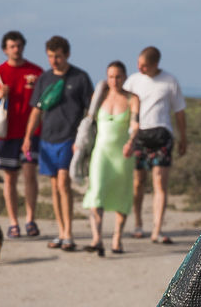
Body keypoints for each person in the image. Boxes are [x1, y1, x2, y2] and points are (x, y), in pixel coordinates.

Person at [23, 36, 93, 251]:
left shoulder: (80, 78)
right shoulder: (44, 78)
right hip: (47, 138)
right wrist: (27, 137)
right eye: (51, 56)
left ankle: (69, 233)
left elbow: (90, 112)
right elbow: (37, 109)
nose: (54, 60)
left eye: (58, 56)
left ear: (67, 55)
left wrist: (86, 140)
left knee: (64, 183)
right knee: (54, 185)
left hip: (69, 139)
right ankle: (61, 233)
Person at [0, 31, 43, 239]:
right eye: (12, 46)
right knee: (9, 178)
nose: (16, 49)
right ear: (5, 49)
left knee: (30, 175)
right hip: (6, 134)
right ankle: (13, 222)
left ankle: (31, 220)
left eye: (19, 45)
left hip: (31, 133)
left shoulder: (36, 71)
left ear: (23, 47)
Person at [123, 46, 187, 244]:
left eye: (145, 66)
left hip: (162, 135)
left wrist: (183, 137)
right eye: (139, 64)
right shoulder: (133, 81)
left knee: (159, 183)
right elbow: (124, 107)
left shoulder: (169, 81)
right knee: (138, 182)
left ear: (155, 64)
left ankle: (156, 230)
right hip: (139, 136)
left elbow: (179, 112)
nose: (140, 68)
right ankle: (138, 224)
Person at [81, 61, 139, 256]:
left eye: (118, 76)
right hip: (101, 152)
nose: (115, 80)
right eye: (111, 76)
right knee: (96, 190)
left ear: (125, 77)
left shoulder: (133, 98)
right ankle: (97, 238)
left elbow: (135, 124)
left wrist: (131, 141)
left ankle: (117, 238)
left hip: (123, 153)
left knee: (122, 194)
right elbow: (88, 121)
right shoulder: (99, 97)